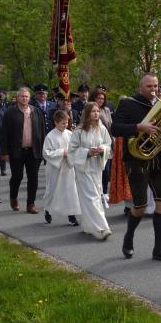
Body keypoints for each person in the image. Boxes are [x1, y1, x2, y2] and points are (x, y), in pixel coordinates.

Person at [111, 73, 161, 262]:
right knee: (140, 206)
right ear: (141, 87)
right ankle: (129, 236)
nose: (153, 89)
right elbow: (115, 128)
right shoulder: (128, 104)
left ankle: (158, 248)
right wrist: (139, 127)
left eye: (155, 86)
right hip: (137, 160)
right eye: (149, 86)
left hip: (159, 159)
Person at [0, 87, 47, 213]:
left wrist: (43, 150)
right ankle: (13, 198)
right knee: (17, 177)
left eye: (26, 96)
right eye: (22, 96)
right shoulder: (10, 112)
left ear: (29, 98)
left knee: (33, 177)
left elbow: (42, 132)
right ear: (17, 97)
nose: (24, 98)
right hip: (16, 151)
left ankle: (30, 204)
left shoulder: (36, 111)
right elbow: (4, 133)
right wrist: (4, 152)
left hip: (33, 151)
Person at [69, 102, 113, 240]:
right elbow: (72, 151)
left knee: (94, 196)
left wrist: (103, 150)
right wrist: (87, 152)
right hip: (83, 167)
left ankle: (88, 226)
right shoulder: (79, 130)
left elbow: (108, 144)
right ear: (87, 113)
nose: (96, 114)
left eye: (98, 111)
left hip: (96, 167)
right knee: (91, 196)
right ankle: (102, 227)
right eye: (93, 111)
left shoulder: (102, 129)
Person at [41, 110, 80, 225]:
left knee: (70, 191)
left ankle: (71, 216)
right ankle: (48, 210)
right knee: (52, 190)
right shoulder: (50, 136)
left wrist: (72, 154)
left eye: (67, 122)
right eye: (63, 123)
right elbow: (46, 153)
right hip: (55, 168)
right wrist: (62, 152)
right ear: (56, 123)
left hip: (68, 167)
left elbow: (75, 148)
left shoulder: (69, 134)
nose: (65, 125)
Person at [92, 89, 114, 197]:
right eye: (98, 98)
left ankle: (104, 192)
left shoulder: (106, 110)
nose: (101, 100)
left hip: (107, 141)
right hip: (95, 142)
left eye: (102, 98)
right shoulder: (90, 109)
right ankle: (97, 192)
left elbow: (110, 125)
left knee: (107, 170)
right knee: (98, 169)